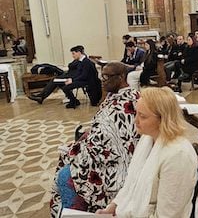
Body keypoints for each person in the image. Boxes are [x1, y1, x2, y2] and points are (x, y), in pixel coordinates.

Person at [50, 62, 140, 216]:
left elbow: (117, 140)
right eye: (101, 76)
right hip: (99, 150)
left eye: (107, 77)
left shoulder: (128, 100)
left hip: (116, 163)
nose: (102, 80)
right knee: (65, 166)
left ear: (122, 77)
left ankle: (75, 212)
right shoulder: (115, 95)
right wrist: (88, 135)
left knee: (66, 176)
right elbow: (103, 126)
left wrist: (80, 147)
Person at [96, 87, 198, 217]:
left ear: (163, 119)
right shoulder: (148, 138)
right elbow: (131, 185)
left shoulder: (178, 156)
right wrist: (111, 208)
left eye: (143, 116)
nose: (135, 121)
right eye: (136, 113)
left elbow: (169, 215)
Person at [28, 45, 101, 108]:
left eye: (73, 54)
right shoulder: (78, 60)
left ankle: (73, 101)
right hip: (73, 76)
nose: (73, 56)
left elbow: (84, 75)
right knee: (57, 81)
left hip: (80, 79)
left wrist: (72, 80)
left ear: (79, 52)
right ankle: (42, 96)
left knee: (58, 82)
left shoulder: (85, 61)